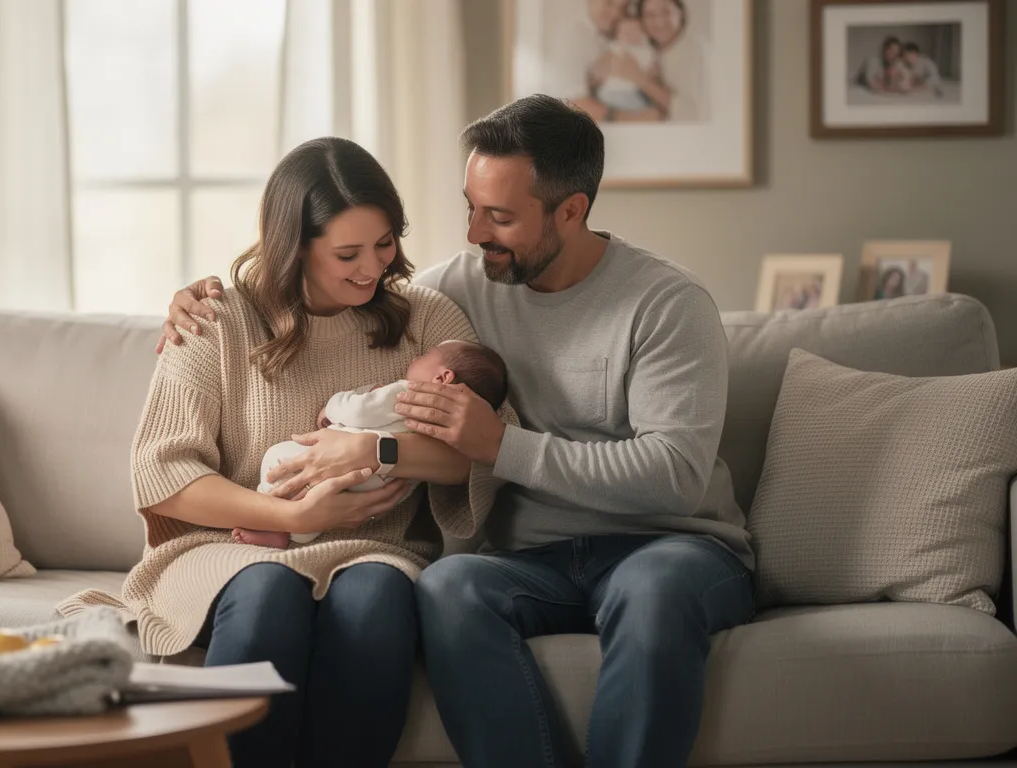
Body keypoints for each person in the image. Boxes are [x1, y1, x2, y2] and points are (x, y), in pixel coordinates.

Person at [157, 95, 755, 768]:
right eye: (470, 206)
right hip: (532, 561)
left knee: (652, 594)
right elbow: (342, 292)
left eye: (498, 216)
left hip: (669, 546)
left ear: (571, 210)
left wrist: (500, 447)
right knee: (448, 588)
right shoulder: (457, 291)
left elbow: (673, 478)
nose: (473, 233)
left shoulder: (666, 305)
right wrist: (195, 299)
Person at [60, 136, 514, 768]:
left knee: (377, 601)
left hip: (373, 549)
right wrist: (296, 519)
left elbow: (484, 450)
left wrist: (373, 448)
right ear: (292, 245)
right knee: (269, 592)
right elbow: (162, 475)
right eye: (347, 253)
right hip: (226, 547)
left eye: (385, 244)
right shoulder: (215, 320)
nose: (372, 268)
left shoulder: (427, 320)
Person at [239, 339, 509, 549]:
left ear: (442, 378)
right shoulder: (452, 426)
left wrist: (333, 406)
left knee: (278, 458)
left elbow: (359, 410)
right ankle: (300, 530)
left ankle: (273, 521)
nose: (417, 356)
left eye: (427, 355)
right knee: (317, 492)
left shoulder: (410, 391)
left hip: (351, 463)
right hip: (383, 484)